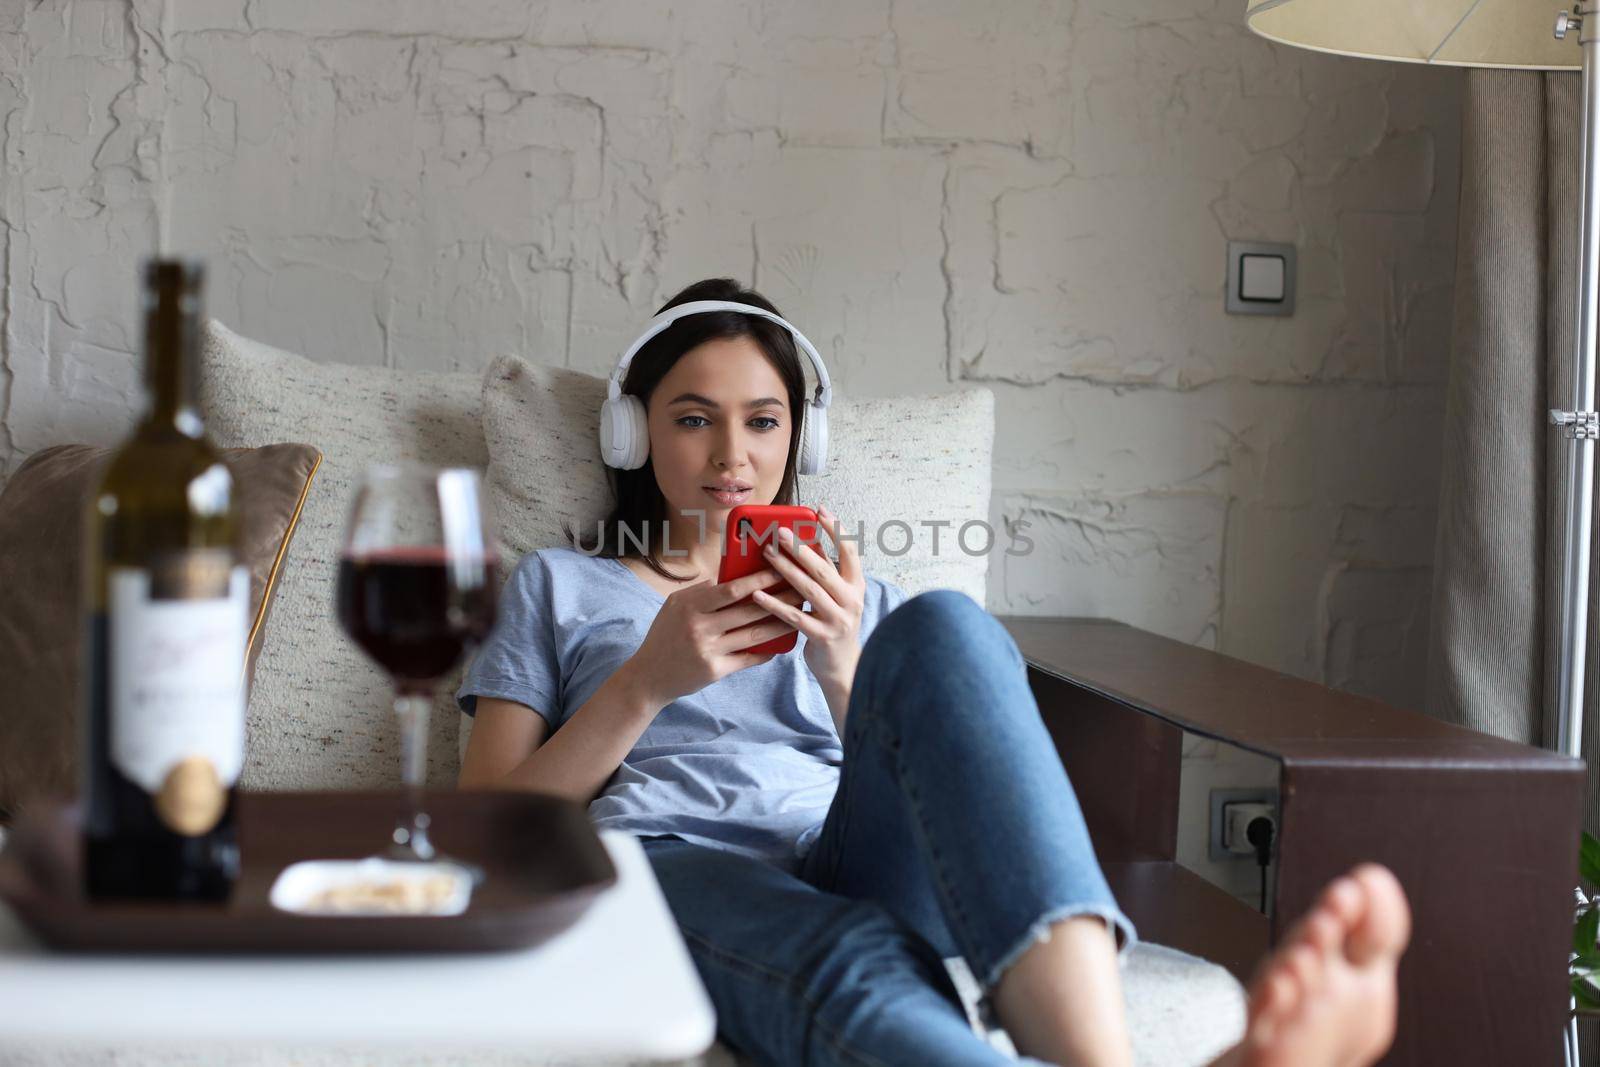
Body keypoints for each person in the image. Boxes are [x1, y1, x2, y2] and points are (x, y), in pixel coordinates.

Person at [457, 277, 1412, 1067]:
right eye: (694, 420)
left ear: (801, 436)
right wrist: (645, 683)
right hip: (666, 860)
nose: (732, 456)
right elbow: (485, 833)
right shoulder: (561, 584)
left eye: (763, 420)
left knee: (947, 624)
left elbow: (925, 771)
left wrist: (842, 667)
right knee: (853, 956)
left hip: (851, 845)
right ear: (635, 434)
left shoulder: (854, 595)